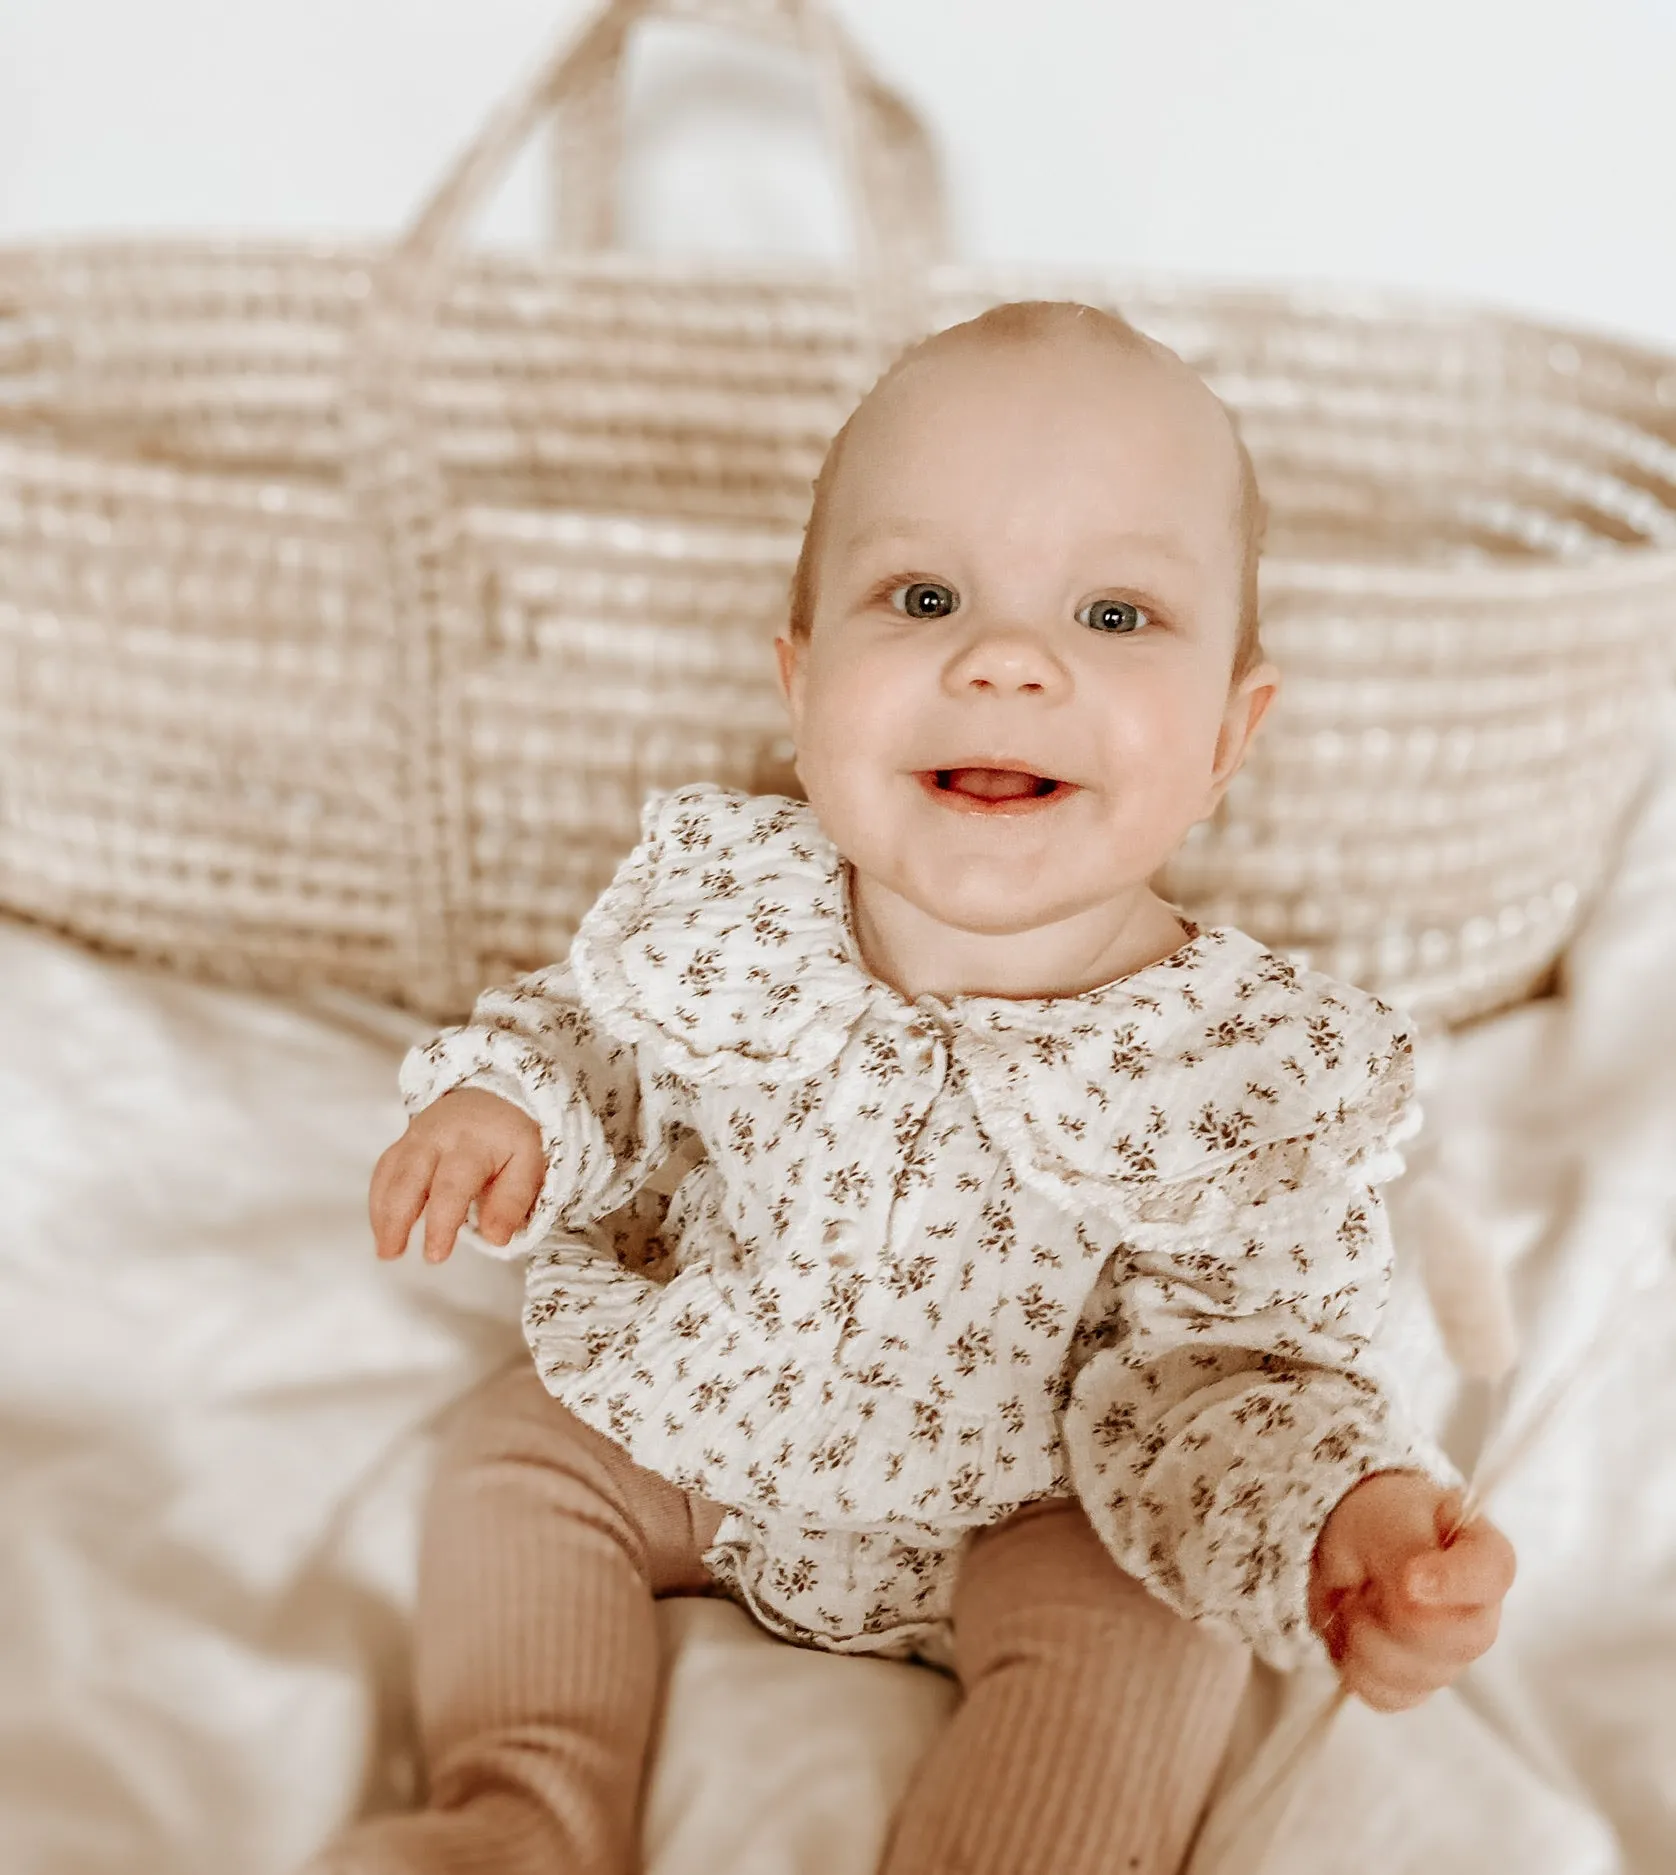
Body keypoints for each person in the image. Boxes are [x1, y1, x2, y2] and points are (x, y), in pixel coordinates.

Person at [308, 300, 1516, 1875]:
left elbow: (1243, 1370)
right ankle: (517, 1811)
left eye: (1116, 614)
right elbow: (613, 1039)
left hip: (1042, 1497)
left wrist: (1340, 1511)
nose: (1006, 659)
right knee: (518, 1456)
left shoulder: (1239, 1073)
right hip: (709, 1406)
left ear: (1229, 734)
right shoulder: (741, 905)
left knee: (1151, 1638)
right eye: (926, 593)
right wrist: (514, 1111)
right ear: (803, 685)